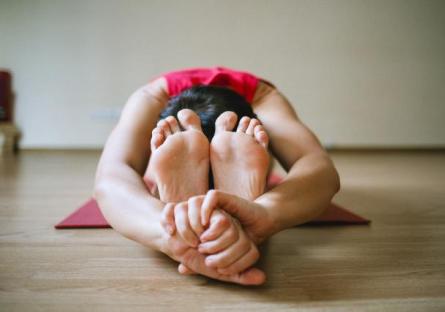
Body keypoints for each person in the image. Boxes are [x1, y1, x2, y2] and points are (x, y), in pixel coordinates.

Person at [94, 67, 340, 285]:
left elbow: (111, 177)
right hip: (230, 122)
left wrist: (165, 228)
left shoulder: (262, 99)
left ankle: (177, 207)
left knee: (138, 169)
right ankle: (237, 194)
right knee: (266, 150)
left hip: (210, 119)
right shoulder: (151, 98)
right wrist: (267, 213)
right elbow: (320, 168)